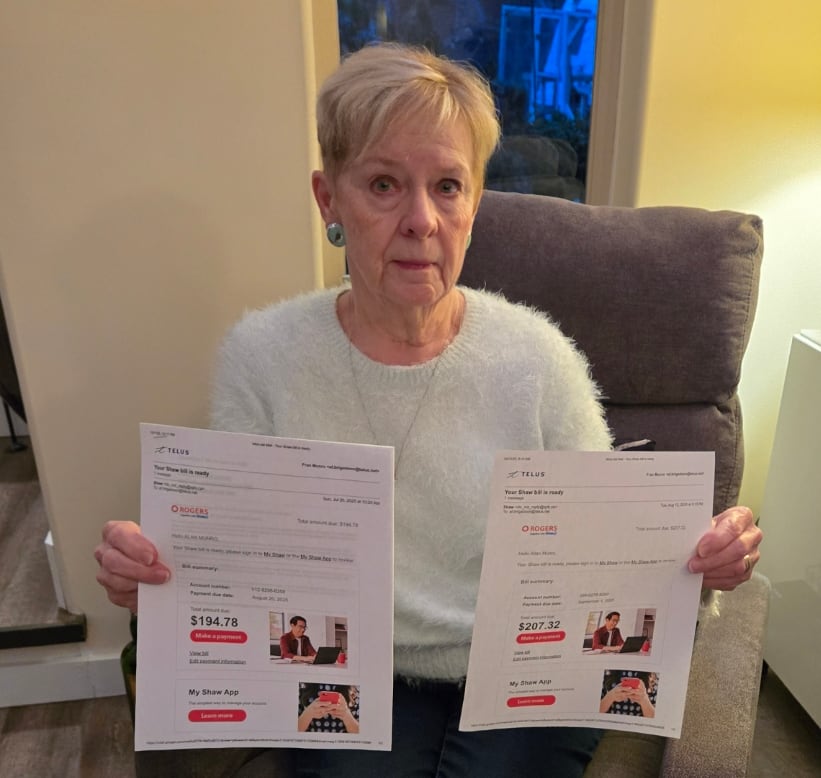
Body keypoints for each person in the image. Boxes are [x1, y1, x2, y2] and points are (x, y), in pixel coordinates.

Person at [94, 42, 763, 777]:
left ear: (473, 202)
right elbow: (241, 558)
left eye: (447, 186)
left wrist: (696, 556)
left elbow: (602, 553)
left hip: (526, 666)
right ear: (329, 200)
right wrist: (158, 572)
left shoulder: (537, 357)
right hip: (355, 667)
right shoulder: (263, 356)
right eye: (383, 184)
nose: (420, 219)